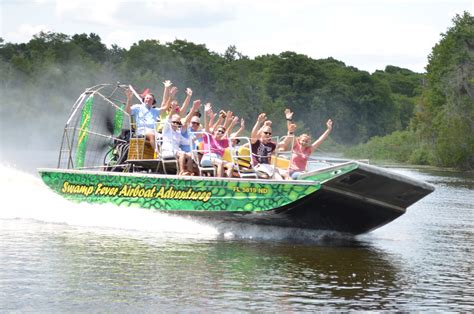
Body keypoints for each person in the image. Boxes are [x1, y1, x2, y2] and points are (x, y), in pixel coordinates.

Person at [250, 113, 287, 180]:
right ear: (261, 133)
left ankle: (293, 186)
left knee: (285, 173)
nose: (268, 134)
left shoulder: (271, 144)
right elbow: (253, 135)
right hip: (258, 166)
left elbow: (284, 143)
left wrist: (290, 132)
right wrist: (258, 122)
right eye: (266, 133)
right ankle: (282, 185)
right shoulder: (256, 142)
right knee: (275, 174)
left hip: (268, 166)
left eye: (270, 133)